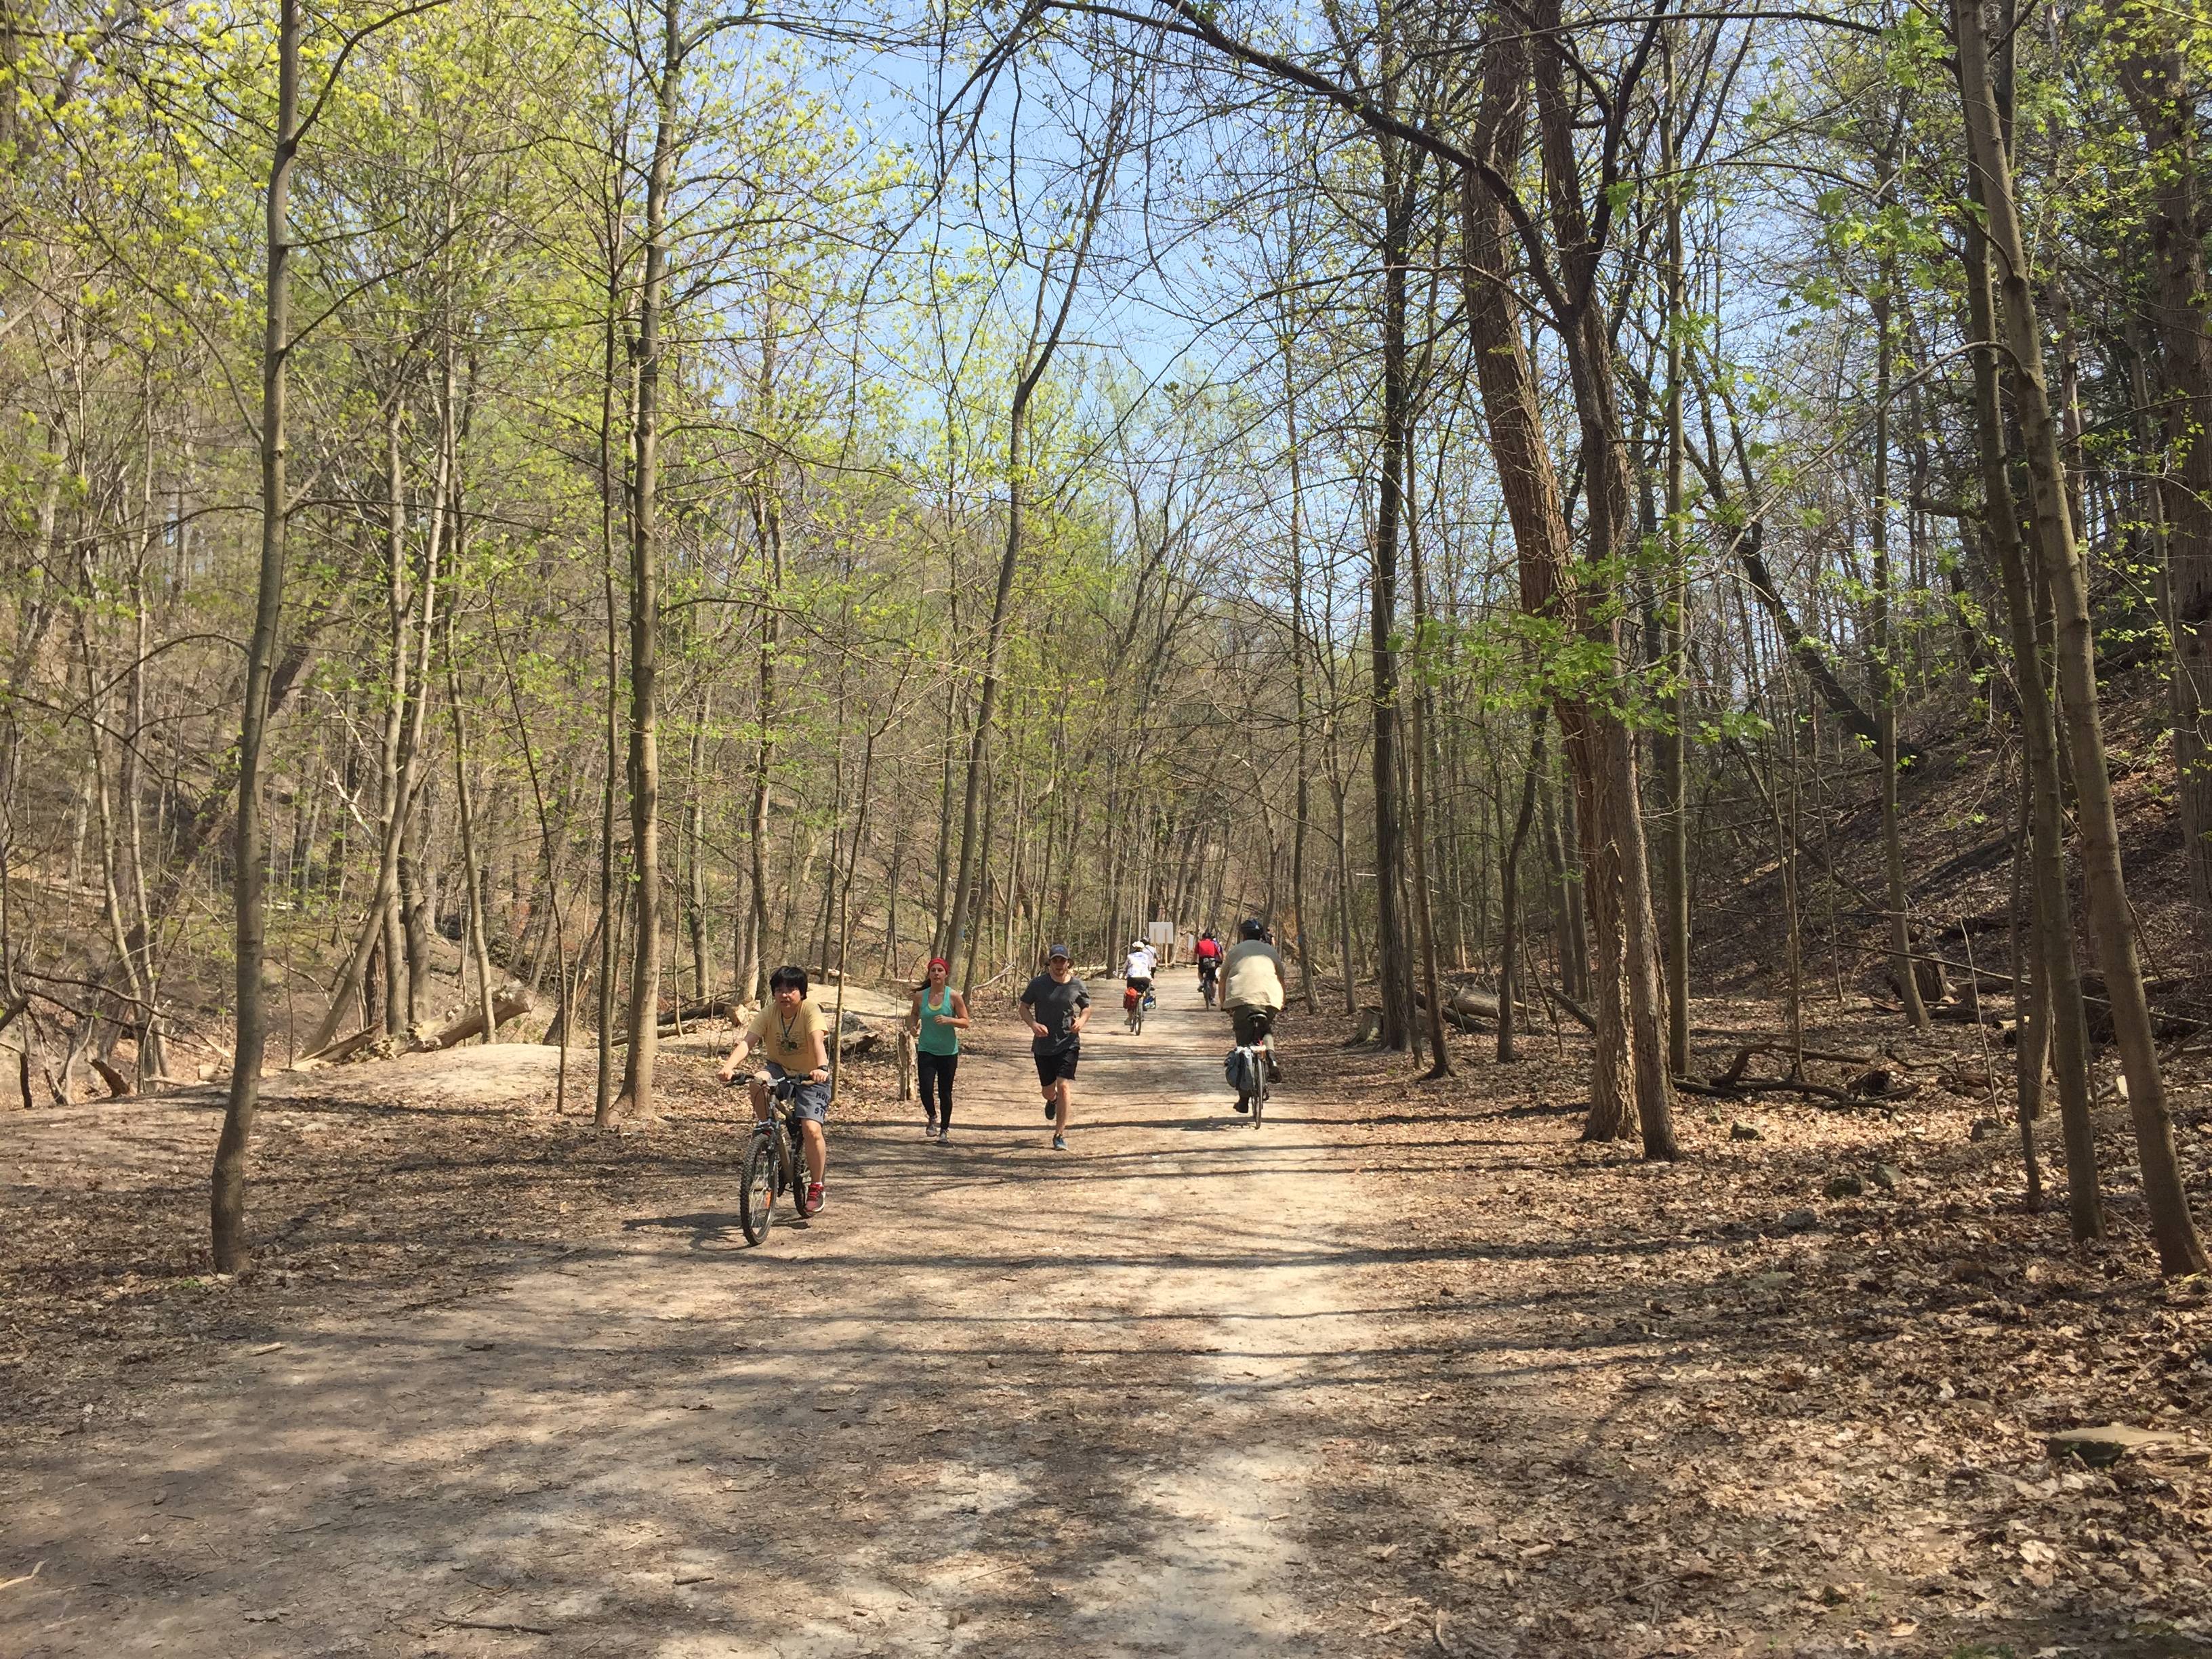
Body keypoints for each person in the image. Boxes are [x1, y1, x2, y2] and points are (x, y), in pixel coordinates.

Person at [718, 965, 832, 1215]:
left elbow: (817, 1041)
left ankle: (816, 1185)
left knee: (811, 1129)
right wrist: (728, 1067)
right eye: (779, 989)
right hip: (779, 1069)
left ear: (801, 993)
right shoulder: (769, 1013)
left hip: (811, 1076)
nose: (785, 995)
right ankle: (768, 1133)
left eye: (791, 989)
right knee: (756, 1081)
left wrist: (822, 1067)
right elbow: (748, 1042)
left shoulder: (810, 1011)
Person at [1019, 943, 1090, 1151]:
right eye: (1055, 960)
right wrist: (1033, 1024)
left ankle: (1059, 1134)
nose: (1059, 964)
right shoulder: (1038, 984)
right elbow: (1024, 1007)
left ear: (1069, 963)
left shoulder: (1076, 985)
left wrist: (1082, 1022)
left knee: (1064, 1085)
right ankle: (1052, 1101)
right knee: (1048, 1091)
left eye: (1063, 960)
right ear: (1049, 963)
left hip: (1069, 1042)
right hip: (1043, 1045)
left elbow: (1086, 1007)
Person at [1221, 918, 1286, 1105]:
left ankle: (1243, 1100)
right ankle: (1271, 1058)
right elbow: (1281, 978)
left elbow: (1223, 978)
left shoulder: (1235, 951)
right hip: (1270, 999)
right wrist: (1282, 1000)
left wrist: (1223, 1003)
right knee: (1265, 1029)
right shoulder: (1271, 951)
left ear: (1243, 935)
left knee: (1243, 1048)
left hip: (1241, 1001)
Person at [908, 956, 969, 1141]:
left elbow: (966, 1022)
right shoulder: (921, 996)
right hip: (926, 1048)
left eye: (940, 970)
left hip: (948, 1051)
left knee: (945, 1091)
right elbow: (913, 1015)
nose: (936, 973)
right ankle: (932, 1117)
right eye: (933, 970)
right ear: (929, 973)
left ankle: (944, 1129)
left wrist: (950, 1020)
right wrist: (912, 1026)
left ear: (946, 974)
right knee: (925, 1088)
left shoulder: (953, 997)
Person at [1122, 937, 1155, 1031]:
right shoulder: (1146, 956)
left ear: (1134, 948)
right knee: (1144, 992)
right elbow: (1149, 968)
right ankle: (1144, 1005)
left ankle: (1130, 1017)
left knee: (1130, 994)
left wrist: (1124, 974)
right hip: (1145, 978)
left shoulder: (1130, 956)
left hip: (1132, 978)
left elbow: (1125, 968)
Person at [1194, 928, 1223, 1005]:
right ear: (1210, 938)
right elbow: (1219, 954)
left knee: (1200, 972)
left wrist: (1194, 961)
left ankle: (1202, 982)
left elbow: (1195, 954)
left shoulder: (1199, 943)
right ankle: (1213, 999)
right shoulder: (1214, 944)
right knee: (1212, 980)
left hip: (1202, 960)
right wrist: (1220, 961)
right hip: (1212, 960)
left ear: (1203, 938)